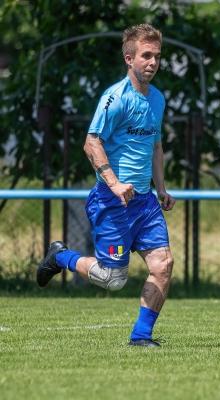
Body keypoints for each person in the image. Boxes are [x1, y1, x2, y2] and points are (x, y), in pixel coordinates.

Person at [37, 24, 175, 348]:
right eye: (146, 55)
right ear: (129, 58)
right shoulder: (115, 98)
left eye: (157, 56)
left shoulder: (157, 99)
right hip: (112, 201)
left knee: (163, 265)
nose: (153, 62)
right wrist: (114, 183)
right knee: (112, 279)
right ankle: (61, 257)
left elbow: (155, 145)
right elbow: (91, 142)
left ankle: (141, 337)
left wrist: (161, 188)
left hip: (144, 202)